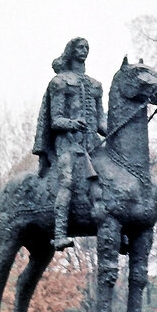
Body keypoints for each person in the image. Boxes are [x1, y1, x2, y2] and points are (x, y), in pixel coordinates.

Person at [33, 38, 107, 250]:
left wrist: (117, 131)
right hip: (68, 145)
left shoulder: (95, 85)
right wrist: (73, 123)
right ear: (71, 52)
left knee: (109, 181)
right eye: (80, 48)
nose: (84, 51)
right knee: (67, 181)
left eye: (86, 48)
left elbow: (101, 122)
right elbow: (55, 120)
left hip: (92, 146)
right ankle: (59, 233)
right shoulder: (60, 82)